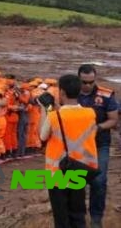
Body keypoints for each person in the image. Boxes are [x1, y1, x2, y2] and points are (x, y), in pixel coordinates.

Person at [40, 74, 98, 228]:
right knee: (78, 215)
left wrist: (44, 110)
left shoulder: (54, 116)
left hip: (57, 173)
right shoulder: (90, 113)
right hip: (80, 169)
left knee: (61, 218)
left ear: (62, 92)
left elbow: (42, 135)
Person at [76, 64, 118, 228]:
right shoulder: (70, 93)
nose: (87, 85)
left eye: (90, 82)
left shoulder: (106, 95)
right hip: (77, 145)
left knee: (99, 181)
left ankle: (96, 218)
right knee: (76, 181)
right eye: (84, 82)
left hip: (100, 144)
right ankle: (78, 217)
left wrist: (98, 127)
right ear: (78, 78)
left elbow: (113, 120)